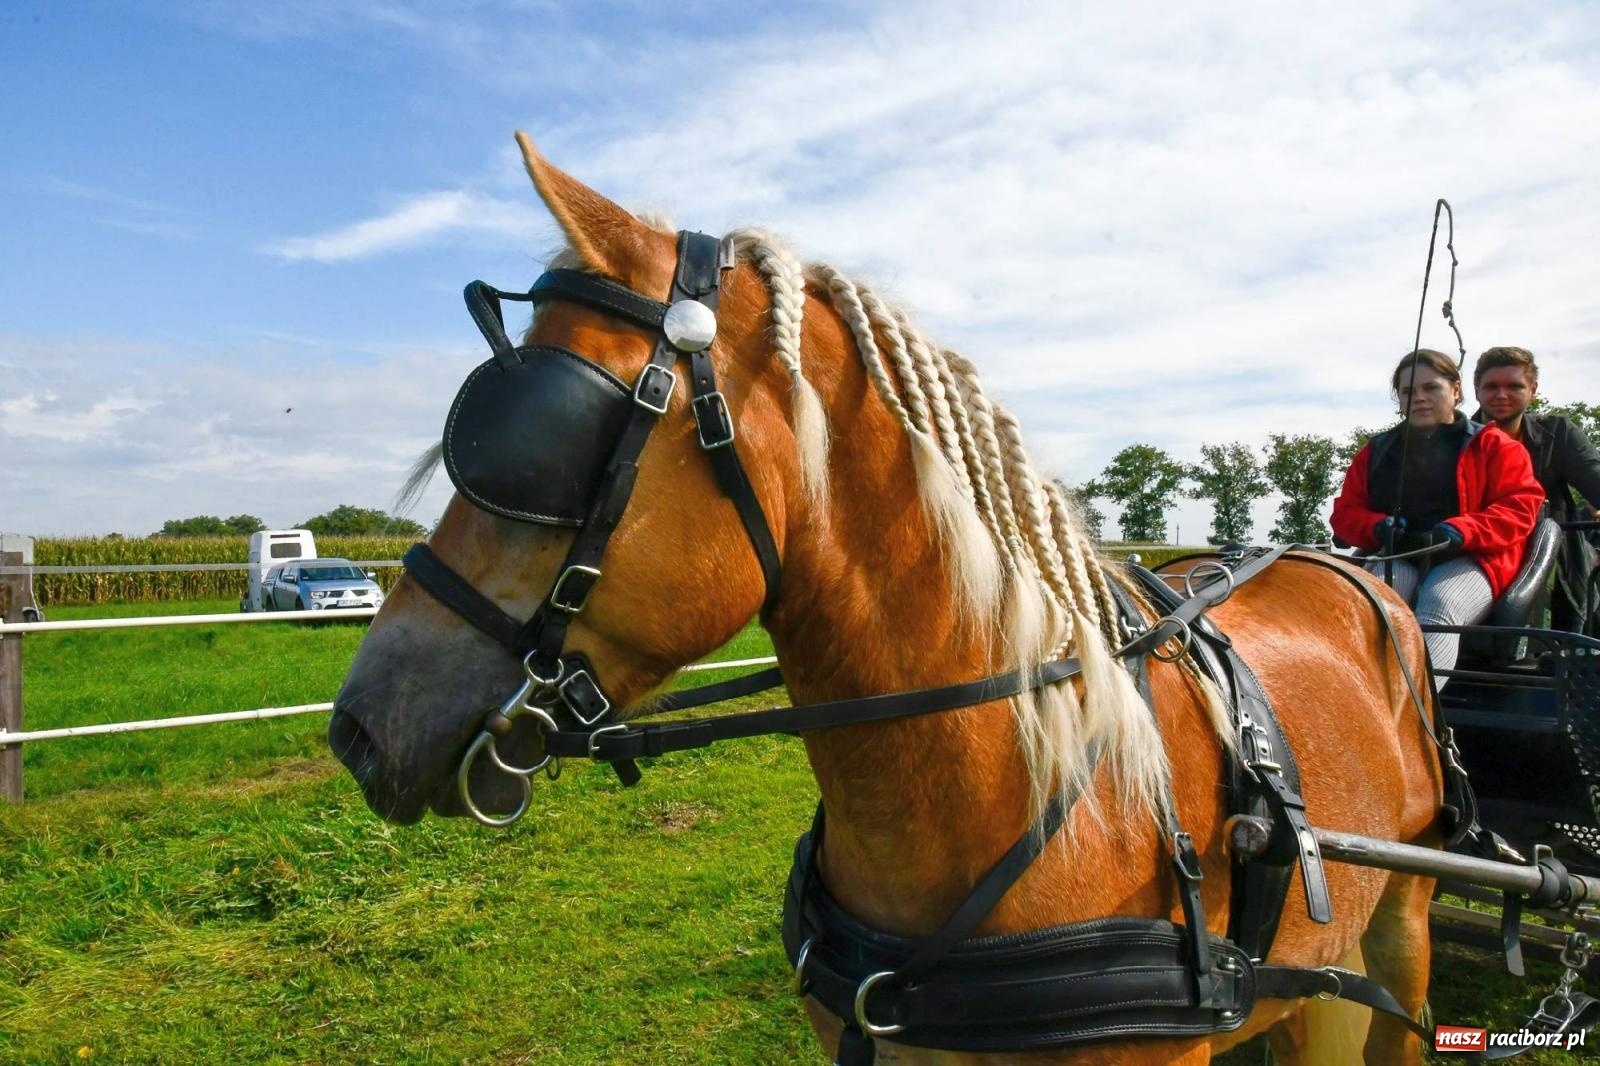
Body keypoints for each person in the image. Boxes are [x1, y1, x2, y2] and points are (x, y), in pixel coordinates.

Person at [1331, 349, 1544, 683]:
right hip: (1400, 555)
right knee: (1371, 606)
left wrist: (1462, 530)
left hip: (1473, 557)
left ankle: (1417, 708)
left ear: (1456, 390)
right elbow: (1345, 514)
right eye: (1408, 391)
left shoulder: (1496, 446)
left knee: (1439, 604)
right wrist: (1377, 527)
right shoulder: (1376, 452)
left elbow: (1519, 508)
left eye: (1431, 388)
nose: (1419, 398)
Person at [1472, 345, 1600, 631]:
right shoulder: (1457, 439)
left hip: (1552, 563)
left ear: (1533, 390)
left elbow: (1594, 479)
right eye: (1491, 386)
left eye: (1514, 386)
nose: (1501, 395)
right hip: (1479, 559)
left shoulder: (1558, 433)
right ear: (1476, 390)